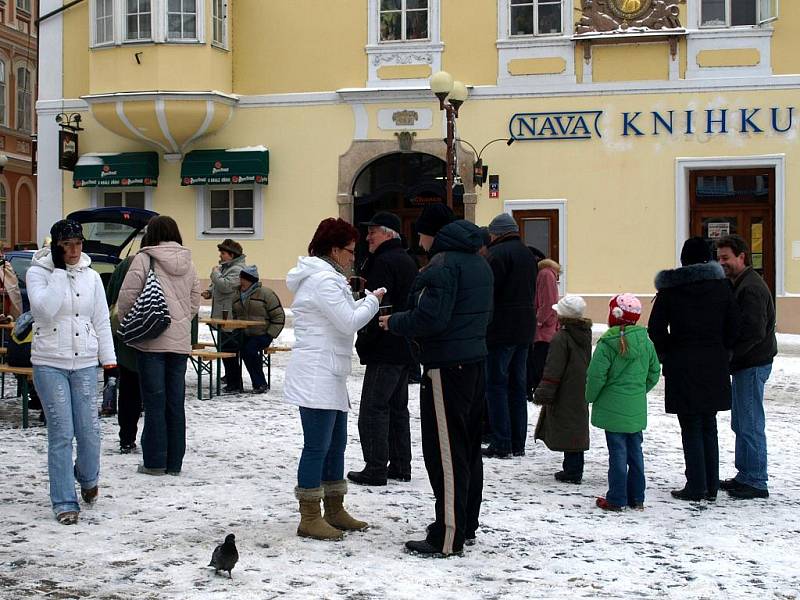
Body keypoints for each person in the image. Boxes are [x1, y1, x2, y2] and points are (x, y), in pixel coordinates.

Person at [380, 203, 494, 558]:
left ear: (433, 234)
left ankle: (448, 535)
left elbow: (432, 318)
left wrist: (394, 322)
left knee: (445, 453)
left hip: (446, 367)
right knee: (467, 450)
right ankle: (465, 523)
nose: (419, 241)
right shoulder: (479, 262)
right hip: (474, 363)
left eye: (421, 234)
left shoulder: (443, 266)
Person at [284, 217, 383, 541]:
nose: (353, 256)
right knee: (317, 446)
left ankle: (335, 508)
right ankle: (310, 516)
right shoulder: (322, 281)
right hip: (316, 374)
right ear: (334, 249)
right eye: (350, 250)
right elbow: (348, 321)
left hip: (330, 372)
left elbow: (340, 316)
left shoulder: (328, 278)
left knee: (336, 444)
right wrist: (372, 301)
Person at [26, 219, 116, 524]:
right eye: (67, 245)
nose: (74, 251)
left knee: (89, 431)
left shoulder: (91, 277)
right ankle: (64, 501)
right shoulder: (39, 274)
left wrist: (110, 361)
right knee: (62, 433)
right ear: (56, 247)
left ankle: (88, 478)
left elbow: (101, 321)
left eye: (78, 244)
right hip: (50, 361)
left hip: (86, 362)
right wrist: (60, 273)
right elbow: (44, 310)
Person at [648, 238, 740, 502]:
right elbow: (735, 325)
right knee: (709, 424)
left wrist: (668, 352)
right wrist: (724, 350)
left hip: (682, 363)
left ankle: (696, 485)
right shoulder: (722, 286)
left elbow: (655, 328)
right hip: (714, 363)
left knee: (690, 424)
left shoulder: (671, 289)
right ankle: (710, 485)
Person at [118, 216, 201, 476]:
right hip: (179, 344)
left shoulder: (145, 259)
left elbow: (126, 299)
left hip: (151, 343)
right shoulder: (189, 263)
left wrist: (136, 324)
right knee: (175, 403)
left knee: (154, 402)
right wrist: (180, 320)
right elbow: (195, 302)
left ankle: (154, 462)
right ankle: (175, 463)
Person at [349, 211, 418, 486]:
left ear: (388, 233)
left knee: (374, 408)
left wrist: (366, 339)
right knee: (397, 408)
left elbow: (378, 306)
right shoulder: (407, 259)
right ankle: (401, 465)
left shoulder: (383, 262)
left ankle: (375, 467)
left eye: (372, 232)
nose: (367, 238)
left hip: (385, 345)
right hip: (403, 344)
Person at [716, 234, 777, 500]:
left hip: (751, 364)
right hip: (747, 364)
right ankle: (746, 475)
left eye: (726, 258)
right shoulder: (741, 283)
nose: (722, 263)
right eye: (719, 259)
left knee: (749, 423)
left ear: (742, 256)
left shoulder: (750, 287)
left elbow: (753, 332)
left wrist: (731, 358)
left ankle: (755, 480)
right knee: (741, 421)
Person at [587, 294, 660, 512]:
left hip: (612, 408)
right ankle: (637, 497)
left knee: (617, 453)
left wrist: (590, 397)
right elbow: (654, 372)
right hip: (635, 407)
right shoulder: (646, 343)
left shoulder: (607, 344)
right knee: (635, 452)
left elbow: (596, 376)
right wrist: (638, 391)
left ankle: (617, 497)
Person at [483, 213, 537, 459]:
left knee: (496, 386)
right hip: (524, 329)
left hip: (501, 329)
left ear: (499, 233)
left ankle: (501, 441)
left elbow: (490, 293)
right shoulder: (527, 254)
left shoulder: (497, 255)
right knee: (518, 387)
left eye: (492, 233)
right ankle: (518, 442)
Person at [532, 295, 592, 484]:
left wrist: (544, 391)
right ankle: (574, 467)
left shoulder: (562, 337)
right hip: (579, 387)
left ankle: (572, 470)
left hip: (565, 389)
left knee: (568, 425)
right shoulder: (584, 333)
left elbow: (553, 367)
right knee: (576, 426)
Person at [106, 255, 143, 453]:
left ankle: (127, 438)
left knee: (129, 389)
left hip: (128, 334)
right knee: (160, 392)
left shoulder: (127, 265)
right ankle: (160, 443)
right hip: (164, 337)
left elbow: (111, 298)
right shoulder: (180, 262)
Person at [229, 265, 286, 393]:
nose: (241, 281)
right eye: (240, 277)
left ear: (251, 280)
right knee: (227, 347)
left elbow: (279, 316)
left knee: (249, 350)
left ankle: (260, 384)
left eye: (244, 278)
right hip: (244, 332)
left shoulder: (266, 294)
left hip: (262, 333)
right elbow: (235, 315)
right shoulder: (237, 295)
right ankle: (234, 383)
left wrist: (270, 334)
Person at [200, 239, 246, 393]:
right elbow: (219, 286)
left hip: (229, 317)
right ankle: (230, 379)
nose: (220, 255)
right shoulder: (226, 268)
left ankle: (235, 383)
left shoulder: (237, 269)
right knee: (225, 348)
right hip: (222, 315)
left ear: (231, 255)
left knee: (229, 350)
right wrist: (209, 292)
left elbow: (226, 286)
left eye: (223, 253)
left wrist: (215, 273)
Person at [528, 255, 561, 401]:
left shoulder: (544, 274)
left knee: (540, 361)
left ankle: (539, 391)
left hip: (544, 329)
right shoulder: (549, 274)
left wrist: (539, 321)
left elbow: (548, 302)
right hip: (548, 327)